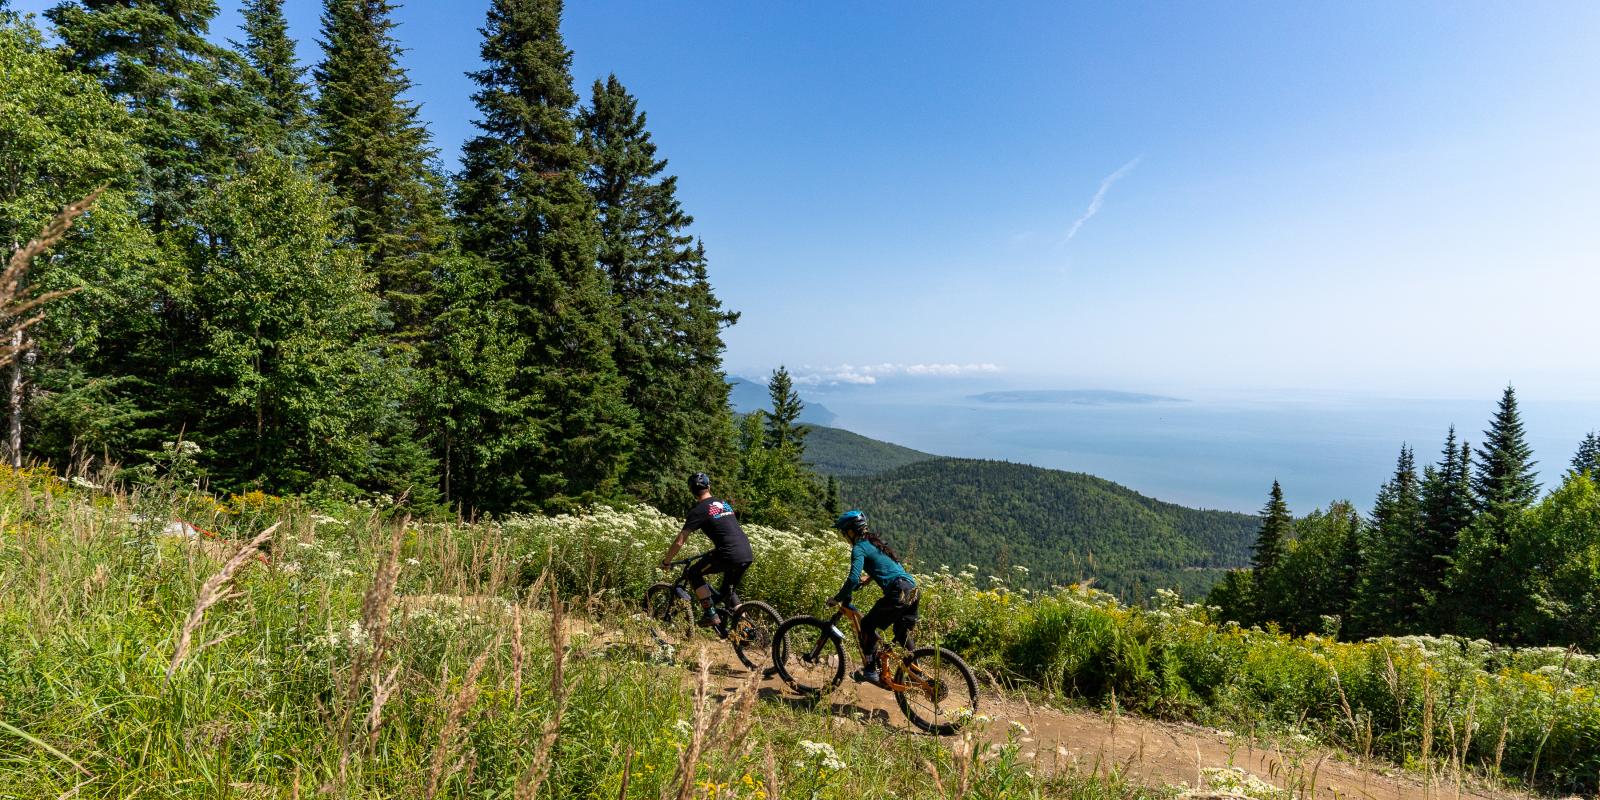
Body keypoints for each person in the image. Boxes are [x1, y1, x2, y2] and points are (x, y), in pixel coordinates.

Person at [828, 509, 919, 687]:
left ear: (851, 531)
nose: (843, 536)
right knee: (901, 633)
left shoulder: (859, 548)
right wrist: (869, 578)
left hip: (897, 591)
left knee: (867, 624)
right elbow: (893, 566)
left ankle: (870, 670)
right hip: (912, 589)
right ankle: (915, 673)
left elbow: (853, 578)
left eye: (843, 532)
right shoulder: (876, 543)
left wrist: (838, 598)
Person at [660, 472, 754, 629]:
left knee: (693, 573)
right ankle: (746, 629)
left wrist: (666, 561)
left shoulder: (698, 510)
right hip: (746, 552)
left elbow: (679, 541)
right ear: (709, 486)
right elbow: (726, 530)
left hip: (728, 554)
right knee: (727, 592)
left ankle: (710, 614)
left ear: (692, 491)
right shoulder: (724, 504)